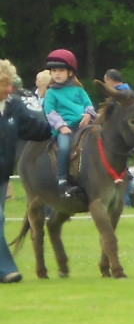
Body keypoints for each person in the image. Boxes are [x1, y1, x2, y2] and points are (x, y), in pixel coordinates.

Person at [0, 59, 52, 283]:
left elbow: (38, 129)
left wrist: (60, 125)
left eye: (9, 83)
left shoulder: (13, 107)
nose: (8, 88)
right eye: (3, 84)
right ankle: (7, 269)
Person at [42, 48, 98, 199]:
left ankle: (118, 171)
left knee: (103, 138)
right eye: (54, 70)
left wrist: (88, 114)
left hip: (83, 124)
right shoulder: (51, 93)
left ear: (70, 72)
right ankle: (62, 179)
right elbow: (50, 112)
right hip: (65, 127)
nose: (57, 74)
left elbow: (88, 104)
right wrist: (61, 126)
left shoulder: (78, 90)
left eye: (61, 70)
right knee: (65, 147)